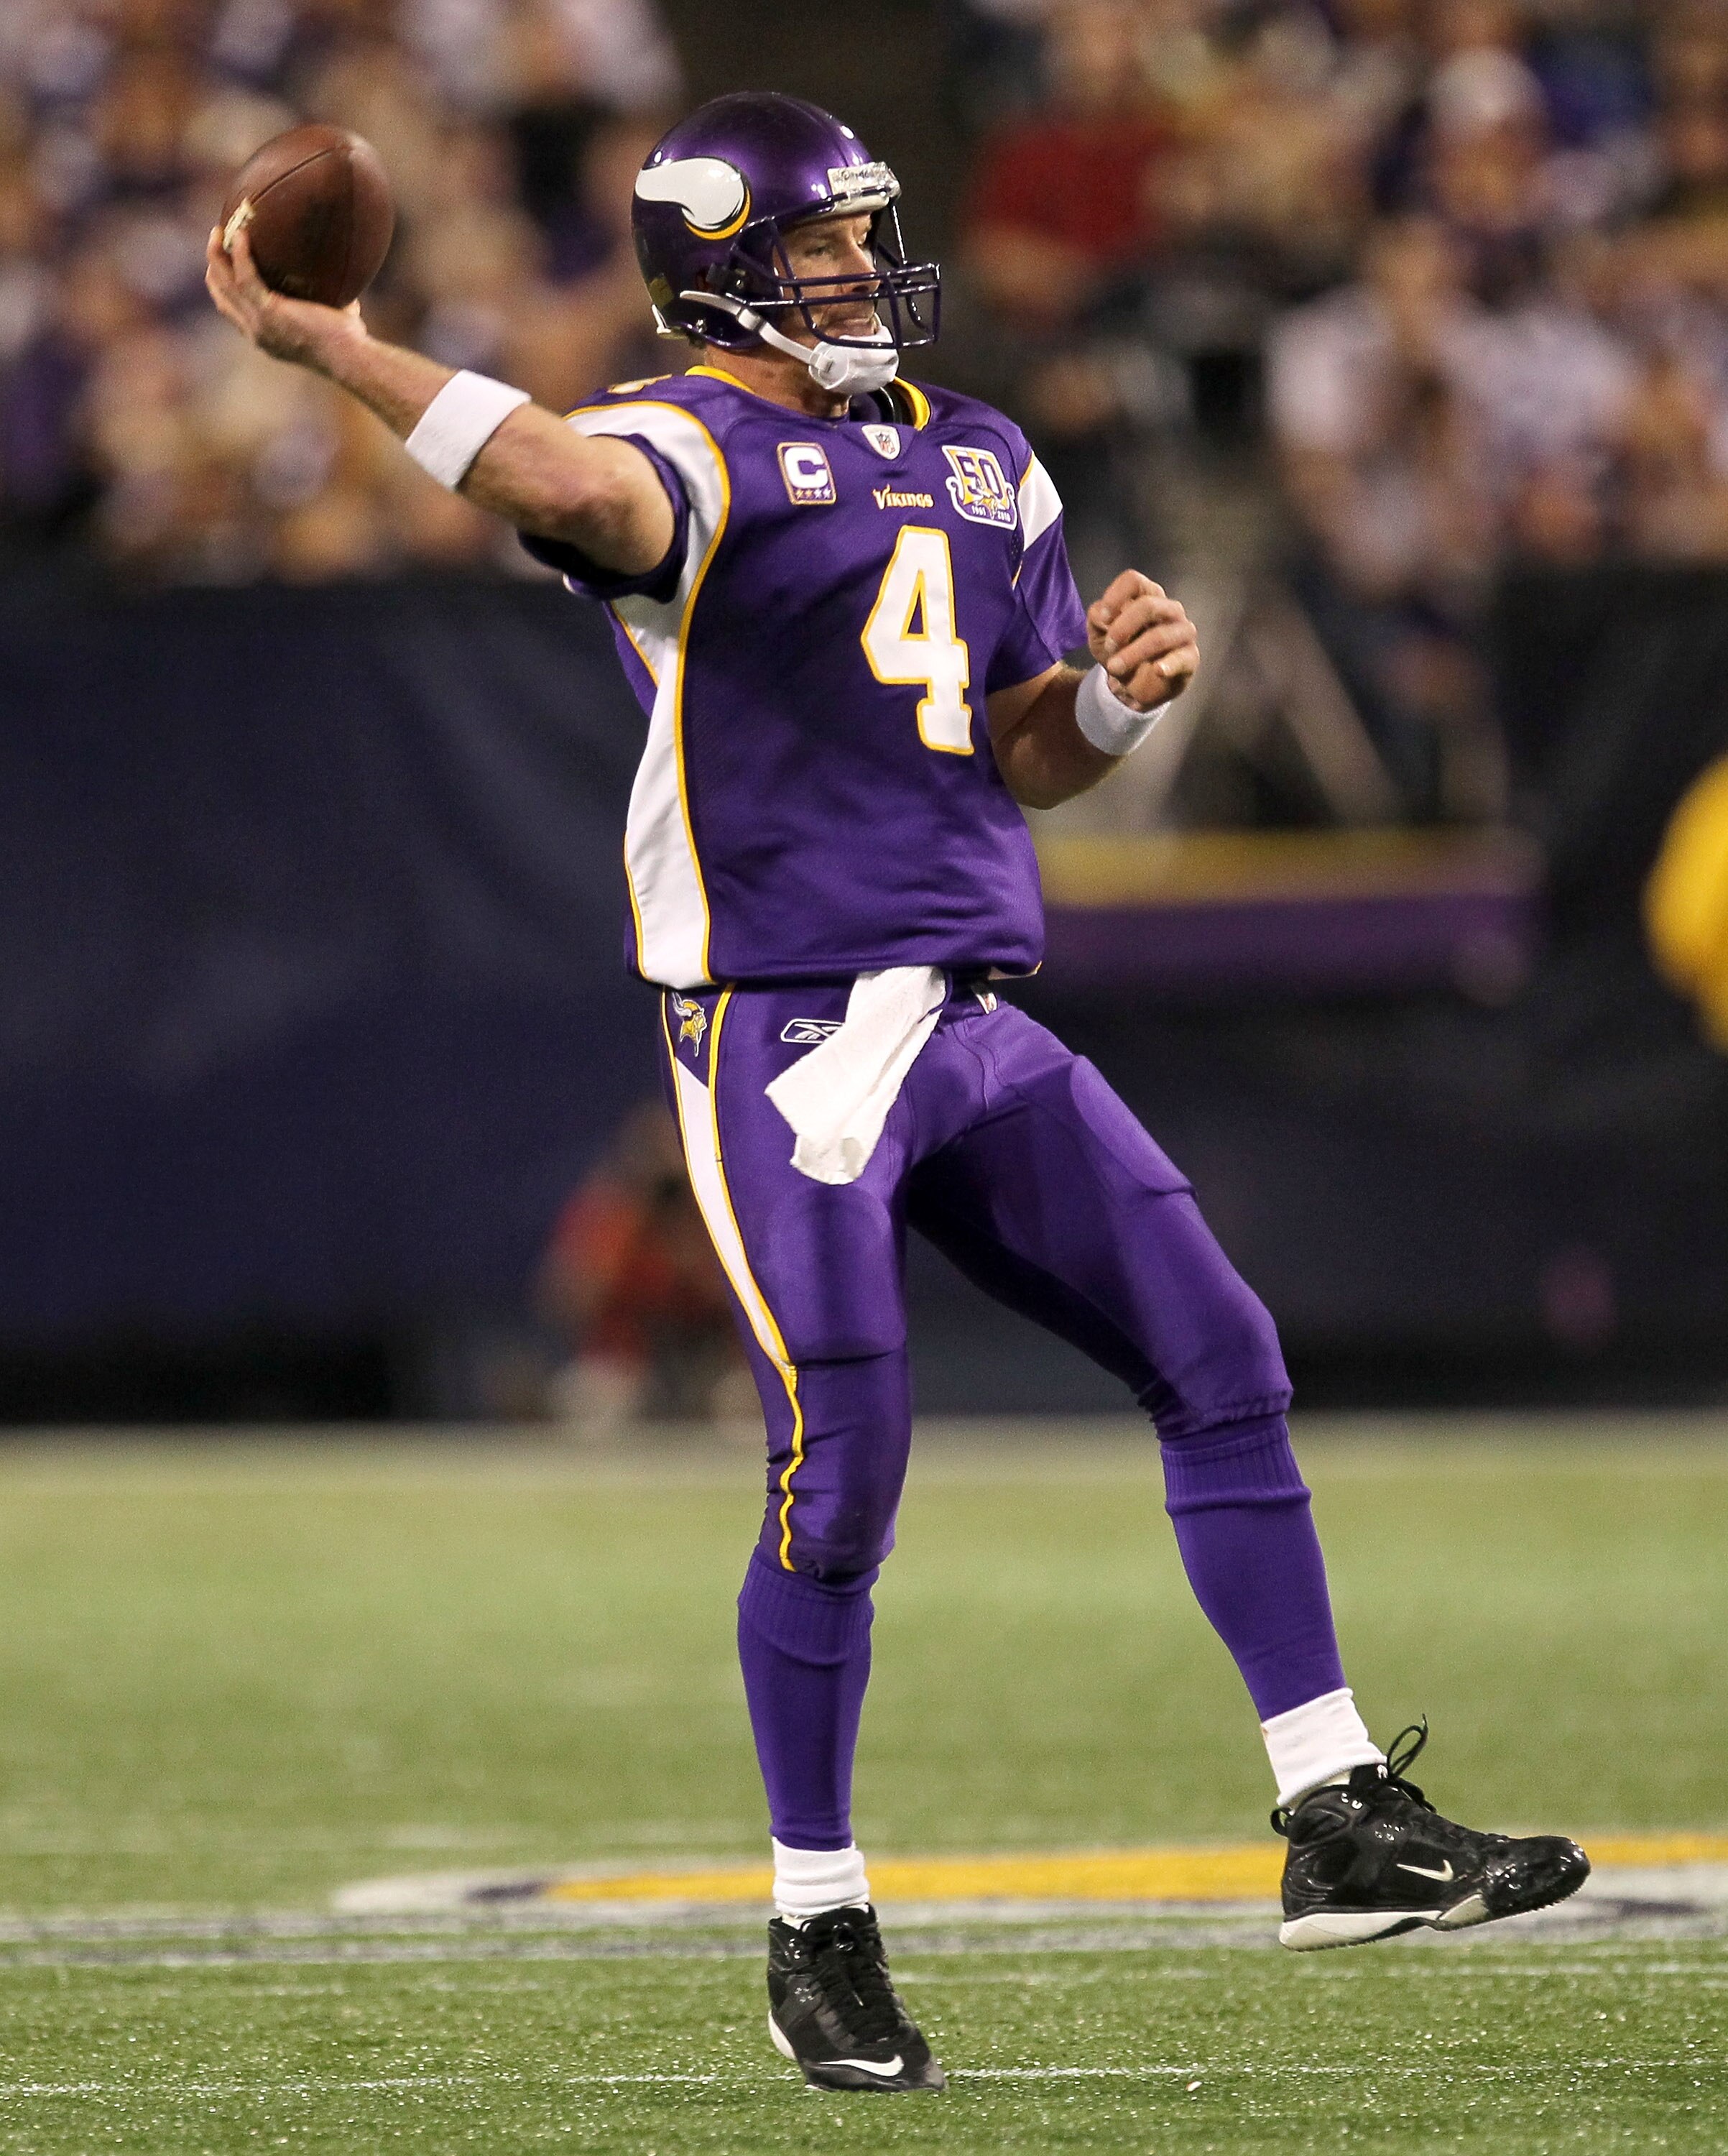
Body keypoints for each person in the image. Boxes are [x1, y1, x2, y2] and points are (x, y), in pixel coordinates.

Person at [205, 89, 1589, 2096]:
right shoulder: (683, 439)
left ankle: (1335, 1809)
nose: (862, 264)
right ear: (718, 270)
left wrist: (1109, 692)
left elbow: (1027, 754)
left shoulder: (978, 452)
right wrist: (339, 344)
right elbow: (567, 485)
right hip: (781, 1036)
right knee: (840, 1478)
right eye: (821, 241)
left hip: (972, 1010)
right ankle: (819, 1920)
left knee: (1224, 1353)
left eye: (865, 232)